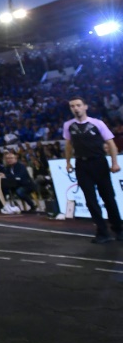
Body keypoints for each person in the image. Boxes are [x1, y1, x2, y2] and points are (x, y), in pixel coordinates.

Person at [63, 96, 122, 243]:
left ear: (85, 107)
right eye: (72, 106)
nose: (75, 108)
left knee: (108, 197)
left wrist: (114, 163)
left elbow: (111, 143)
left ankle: (119, 230)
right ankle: (102, 232)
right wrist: (68, 162)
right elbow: (68, 145)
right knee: (90, 200)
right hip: (82, 165)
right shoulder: (68, 125)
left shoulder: (97, 123)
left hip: (99, 163)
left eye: (78, 105)